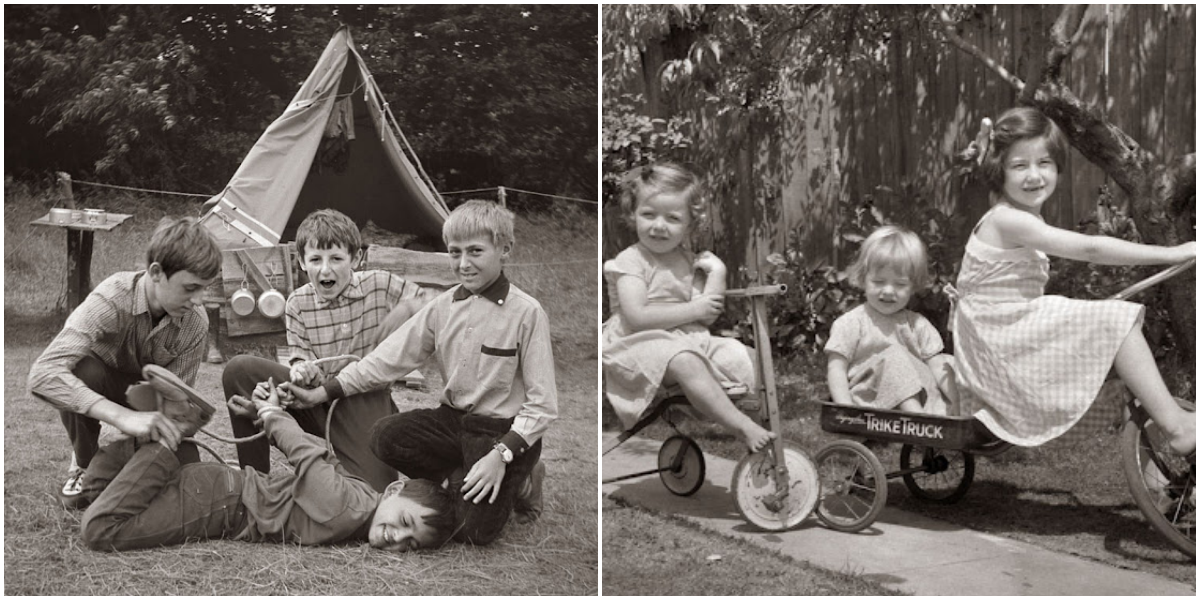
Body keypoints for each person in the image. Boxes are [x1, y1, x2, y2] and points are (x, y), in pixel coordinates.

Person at [283, 199, 557, 545]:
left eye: (475, 251)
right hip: (454, 421)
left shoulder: (528, 314)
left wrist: (501, 455)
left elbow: (543, 404)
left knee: (471, 533)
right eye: (454, 252)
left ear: (505, 249)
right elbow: (386, 360)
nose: (463, 263)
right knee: (385, 436)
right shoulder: (442, 307)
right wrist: (324, 392)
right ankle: (462, 478)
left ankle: (523, 476)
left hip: (501, 432)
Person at [951, 106, 1196, 453]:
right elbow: (1091, 249)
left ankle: (1163, 441)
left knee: (1104, 326)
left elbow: (992, 176)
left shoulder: (1010, 209)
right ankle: (1176, 427)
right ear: (1000, 172)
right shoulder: (1011, 220)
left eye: (1044, 163)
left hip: (1005, 327)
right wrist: (1172, 252)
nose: (1034, 176)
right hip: (999, 337)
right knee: (1116, 321)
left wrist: (986, 154)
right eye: (1019, 166)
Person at [79, 379, 456, 552]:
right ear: (393, 490)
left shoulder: (363, 498)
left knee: (94, 494)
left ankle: (158, 443)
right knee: (100, 530)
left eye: (410, 545)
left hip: (218, 488)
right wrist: (272, 413)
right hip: (217, 505)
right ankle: (171, 430)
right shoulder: (350, 510)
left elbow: (320, 454)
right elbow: (306, 456)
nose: (398, 539)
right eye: (405, 523)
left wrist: (265, 416)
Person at [221, 209, 427, 492]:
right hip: (315, 397)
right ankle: (255, 480)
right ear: (302, 263)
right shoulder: (296, 303)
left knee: (373, 492)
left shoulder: (380, 283)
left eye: (336, 259)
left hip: (365, 398)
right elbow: (300, 356)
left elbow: (429, 304)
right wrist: (301, 370)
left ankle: (339, 464)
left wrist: (407, 308)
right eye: (315, 259)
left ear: (355, 259)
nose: (325, 269)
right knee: (239, 370)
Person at [28, 217, 222, 508]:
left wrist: (178, 424)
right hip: (99, 386)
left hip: (151, 401)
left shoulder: (196, 323)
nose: (199, 300)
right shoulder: (111, 297)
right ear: (156, 272)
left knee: (186, 472)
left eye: (204, 288)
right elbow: (43, 374)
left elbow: (177, 403)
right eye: (190, 288)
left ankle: (122, 464)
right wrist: (121, 417)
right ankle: (85, 464)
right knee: (82, 369)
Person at [602, 163, 773, 453]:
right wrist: (694, 310)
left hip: (685, 339)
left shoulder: (685, 259)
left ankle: (762, 444)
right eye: (649, 214)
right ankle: (741, 426)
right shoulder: (630, 261)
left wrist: (717, 272)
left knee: (748, 357)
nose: (659, 225)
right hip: (635, 345)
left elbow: (706, 312)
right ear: (634, 216)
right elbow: (637, 316)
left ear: (690, 225)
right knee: (684, 359)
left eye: (672, 218)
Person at [826, 226, 958, 415]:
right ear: (864, 279)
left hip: (917, 393)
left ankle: (952, 414)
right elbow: (836, 368)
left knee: (948, 363)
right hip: (871, 400)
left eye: (900, 284)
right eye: (879, 282)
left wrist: (956, 401)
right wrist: (846, 408)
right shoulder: (851, 323)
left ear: (913, 286)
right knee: (896, 357)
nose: (888, 291)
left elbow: (937, 367)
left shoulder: (918, 325)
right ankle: (917, 422)